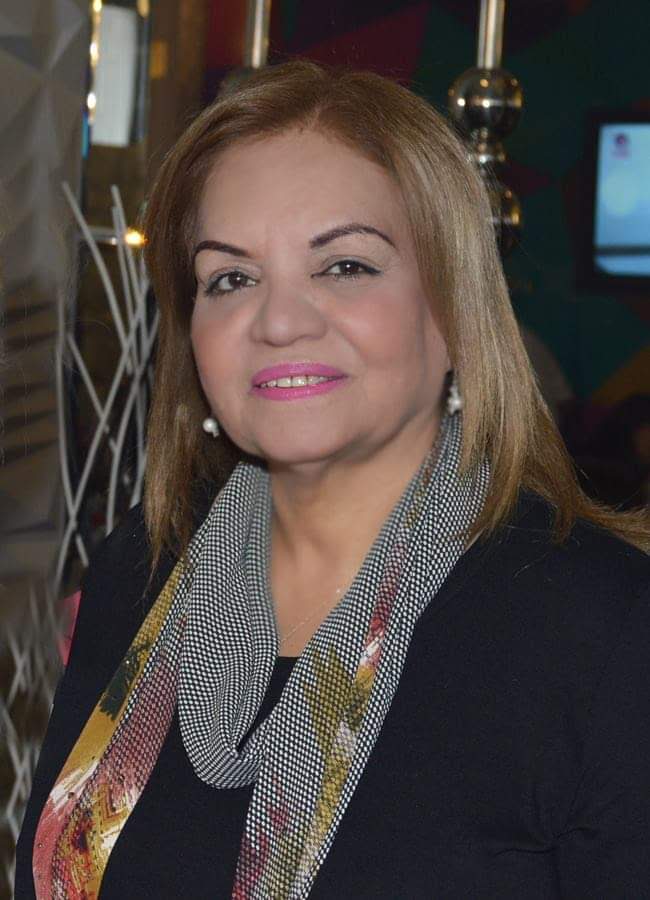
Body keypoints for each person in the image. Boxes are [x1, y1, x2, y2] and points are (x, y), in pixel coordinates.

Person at [16, 60, 650, 899]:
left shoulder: (603, 630)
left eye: (345, 266)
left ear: (453, 309)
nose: (279, 321)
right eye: (231, 278)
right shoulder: (139, 569)